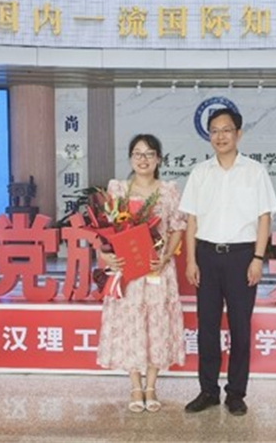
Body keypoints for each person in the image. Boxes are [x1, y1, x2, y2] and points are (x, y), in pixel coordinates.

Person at [179, 108, 276, 416]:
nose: (220, 136)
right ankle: (208, 391)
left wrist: (258, 258)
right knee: (207, 327)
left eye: (226, 130)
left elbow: (264, 218)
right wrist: (191, 260)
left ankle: (236, 393)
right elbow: (191, 221)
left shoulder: (255, 172)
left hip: (242, 257)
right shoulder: (200, 173)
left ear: (238, 134)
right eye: (214, 131)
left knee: (240, 328)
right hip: (207, 256)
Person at [97, 134, 187, 413]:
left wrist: (166, 257)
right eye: (137, 153)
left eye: (149, 154)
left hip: (157, 270)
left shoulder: (169, 190)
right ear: (130, 159)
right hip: (129, 272)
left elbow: (177, 227)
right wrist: (106, 254)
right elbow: (106, 230)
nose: (143, 159)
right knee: (132, 324)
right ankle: (135, 386)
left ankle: (151, 387)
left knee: (156, 325)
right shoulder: (118, 189)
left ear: (158, 159)